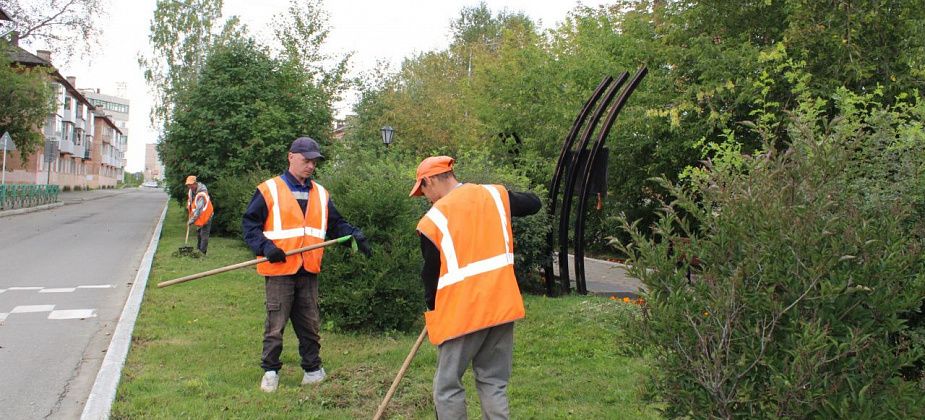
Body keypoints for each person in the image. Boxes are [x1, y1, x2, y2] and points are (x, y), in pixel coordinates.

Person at [410, 156, 541, 419]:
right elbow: (534, 203)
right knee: (493, 381)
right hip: (502, 307)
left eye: (423, 189)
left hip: (462, 314)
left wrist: (433, 308)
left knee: (447, 387)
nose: (425, 197)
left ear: (430, 180)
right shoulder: (493, 196)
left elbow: (430, 275)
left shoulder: (432, 220)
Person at [242, 136, 372, 393]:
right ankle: (270, 372)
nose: (311, 166)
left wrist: (353, 235)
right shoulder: (269, 190)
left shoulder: (321, 194)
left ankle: (313, 370)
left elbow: (335, 225)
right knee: (275, 325)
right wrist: (266, 247)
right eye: (306, 160)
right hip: (280, 270)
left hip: (308, 269)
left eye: (314, 161)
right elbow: (250, 226)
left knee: (310, 323)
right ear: (291, 157)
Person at [185, 175, 214, 255]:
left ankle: (202, 253)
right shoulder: (191, 191)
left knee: (204, 234)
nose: (189, 186)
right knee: (199, 233)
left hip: (207, 215)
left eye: (190, 184)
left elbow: (198, 209)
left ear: (195, 183)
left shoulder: (202, 193)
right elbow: (191, 203)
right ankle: (198, 250)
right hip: (200, 216)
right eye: (188, 185)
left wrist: (192, 220)